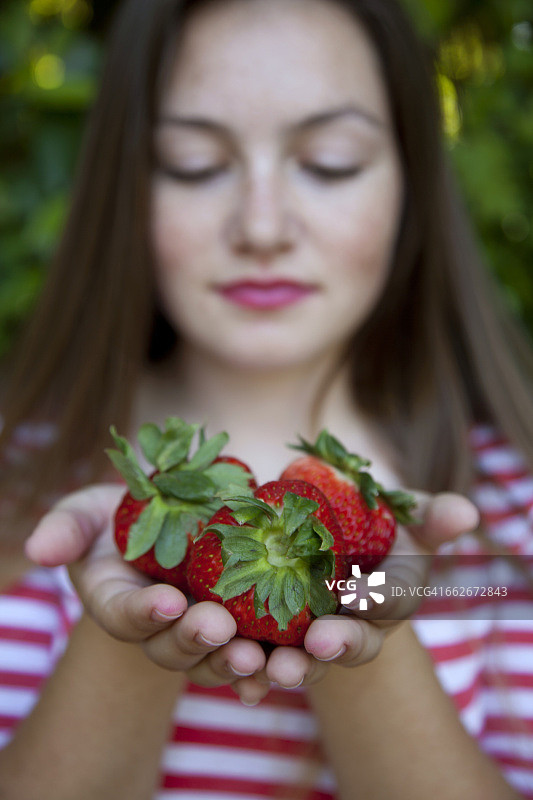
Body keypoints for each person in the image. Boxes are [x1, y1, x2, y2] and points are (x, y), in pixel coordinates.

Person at [0, 0, 532, 797]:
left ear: (411, 187)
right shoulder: (20, 487)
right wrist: (147, 604)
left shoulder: (509, 514)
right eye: (193, 163)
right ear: (126, 189)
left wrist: (352, 613)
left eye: (329, 163)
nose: (260, 226)